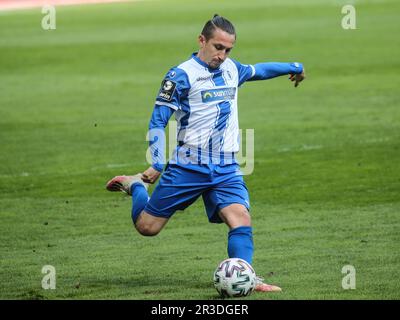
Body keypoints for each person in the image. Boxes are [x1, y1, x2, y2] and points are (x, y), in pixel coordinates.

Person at [106, 14, 305, 293]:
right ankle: (136, 185)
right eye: (218, 47)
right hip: (188, 164)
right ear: (202, 40)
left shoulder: (232, 69)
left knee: (240, 218)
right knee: (147, 227)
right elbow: (158, 120)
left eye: (228, 50)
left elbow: (259, 70)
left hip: (225, 165)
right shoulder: (180, 75)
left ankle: (245, 276)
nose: (222, 55)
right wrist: (158, 163)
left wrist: (294, 67)